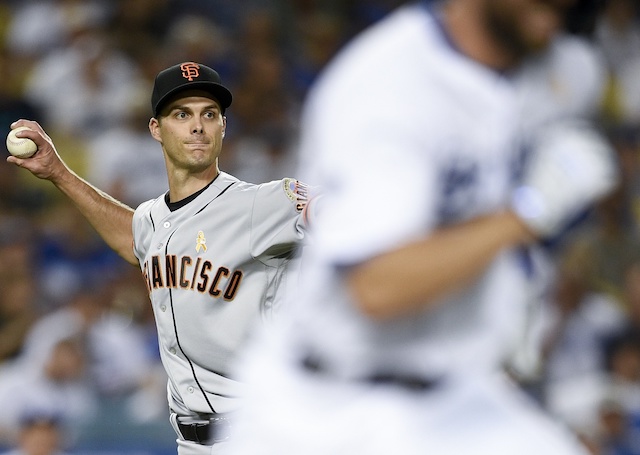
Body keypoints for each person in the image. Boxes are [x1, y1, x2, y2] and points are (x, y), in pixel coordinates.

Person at [223, 0, 619, 454]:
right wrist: (527, 212)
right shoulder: (392, 84)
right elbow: (377, 287)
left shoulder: (557, 71)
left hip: (454, 399)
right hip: (326, 411)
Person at [6, 61, 314, 455]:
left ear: (224, 126)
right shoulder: (154, 219)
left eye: (210, 114)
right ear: (156, 129)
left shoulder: (262, 203)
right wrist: (58, 173)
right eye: (181, 114)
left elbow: (349, 205)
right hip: (192, 443)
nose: (197, 126)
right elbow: (133, 237)